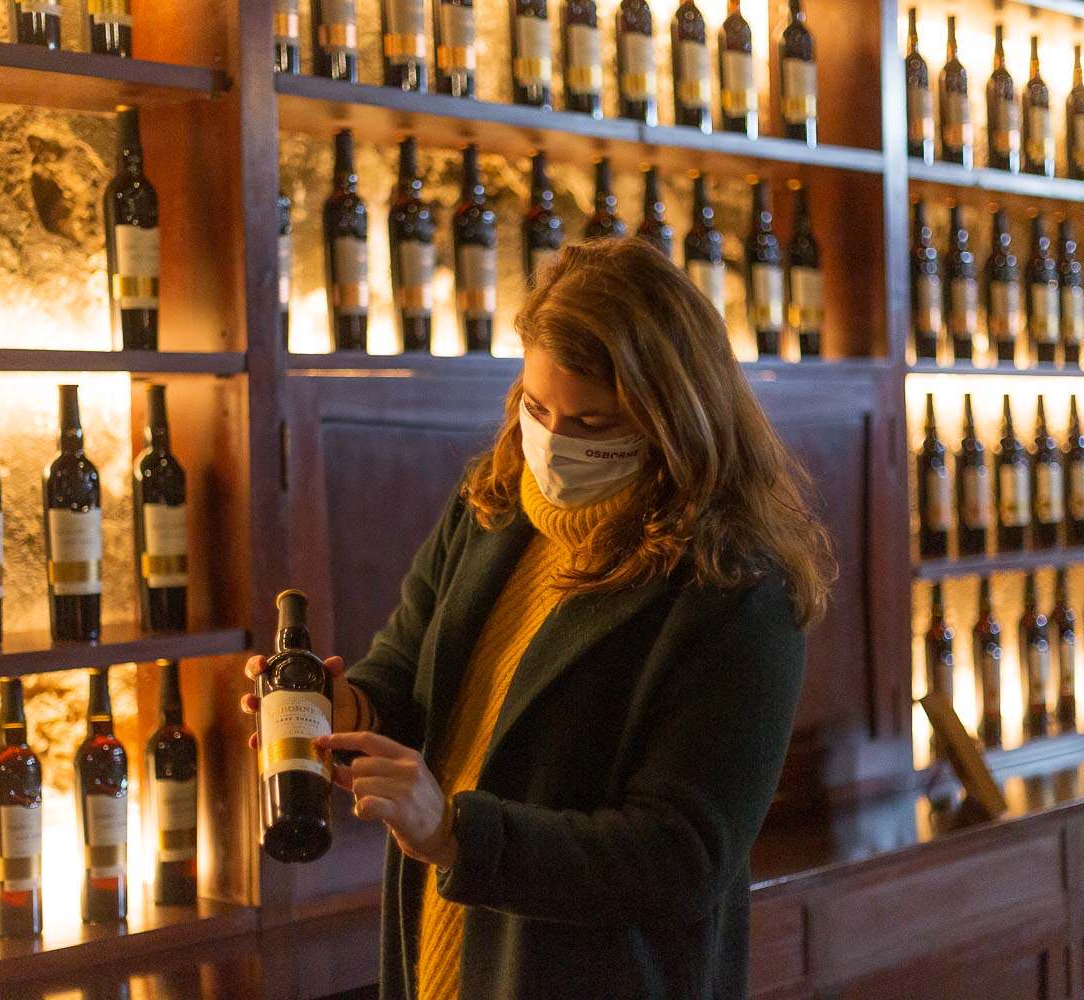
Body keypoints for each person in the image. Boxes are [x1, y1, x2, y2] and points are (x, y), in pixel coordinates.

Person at [241, 238, 834, 999]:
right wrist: (339, 711)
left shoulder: (736, 588)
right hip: (443, 962)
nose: (554, 445)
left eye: (592, 424)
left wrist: (455, 833)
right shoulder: (494, 502)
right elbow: (406, 669)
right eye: (536, 407)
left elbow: (680, 858)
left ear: (676, 419)